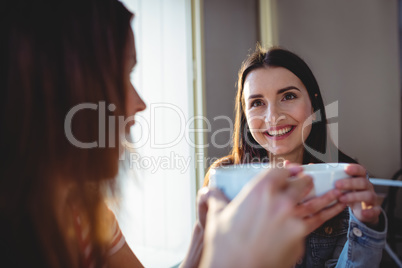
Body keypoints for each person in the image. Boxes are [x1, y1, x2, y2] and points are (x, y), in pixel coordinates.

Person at [0, 1, 314, 267]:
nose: (139, 103)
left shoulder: (90, 218)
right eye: (121, 74)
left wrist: (197, 250)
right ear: (52, 88)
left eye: (288, 96)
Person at [203, 46, 387, 267]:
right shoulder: (223, 179)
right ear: (245, 115)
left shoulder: (347, 179)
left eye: (288, 96)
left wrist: (366, 225)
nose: (273, 117)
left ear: (313, 103)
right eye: (257, 103)